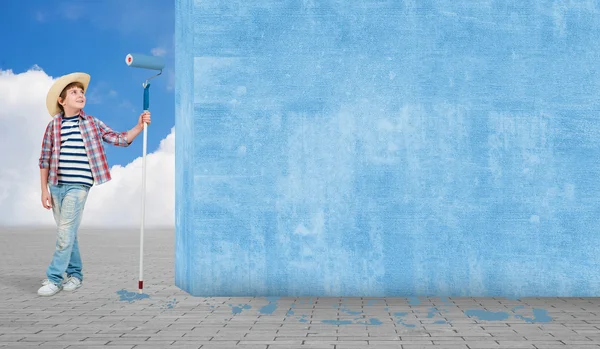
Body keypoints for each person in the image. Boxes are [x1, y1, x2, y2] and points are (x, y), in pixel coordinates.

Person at [37, 72, 151, 296]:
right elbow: (44, 159)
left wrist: (138, 127)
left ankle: (54, 278)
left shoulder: (91, 123)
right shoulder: (53, 127)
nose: (80, 95)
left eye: (81, 92)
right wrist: (44, 190)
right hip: (56, 185)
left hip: (79, 185)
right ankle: (76, 275)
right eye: (74, 92)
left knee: (65, 231)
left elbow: (119, 139)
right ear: (62, 101)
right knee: (67, 233)